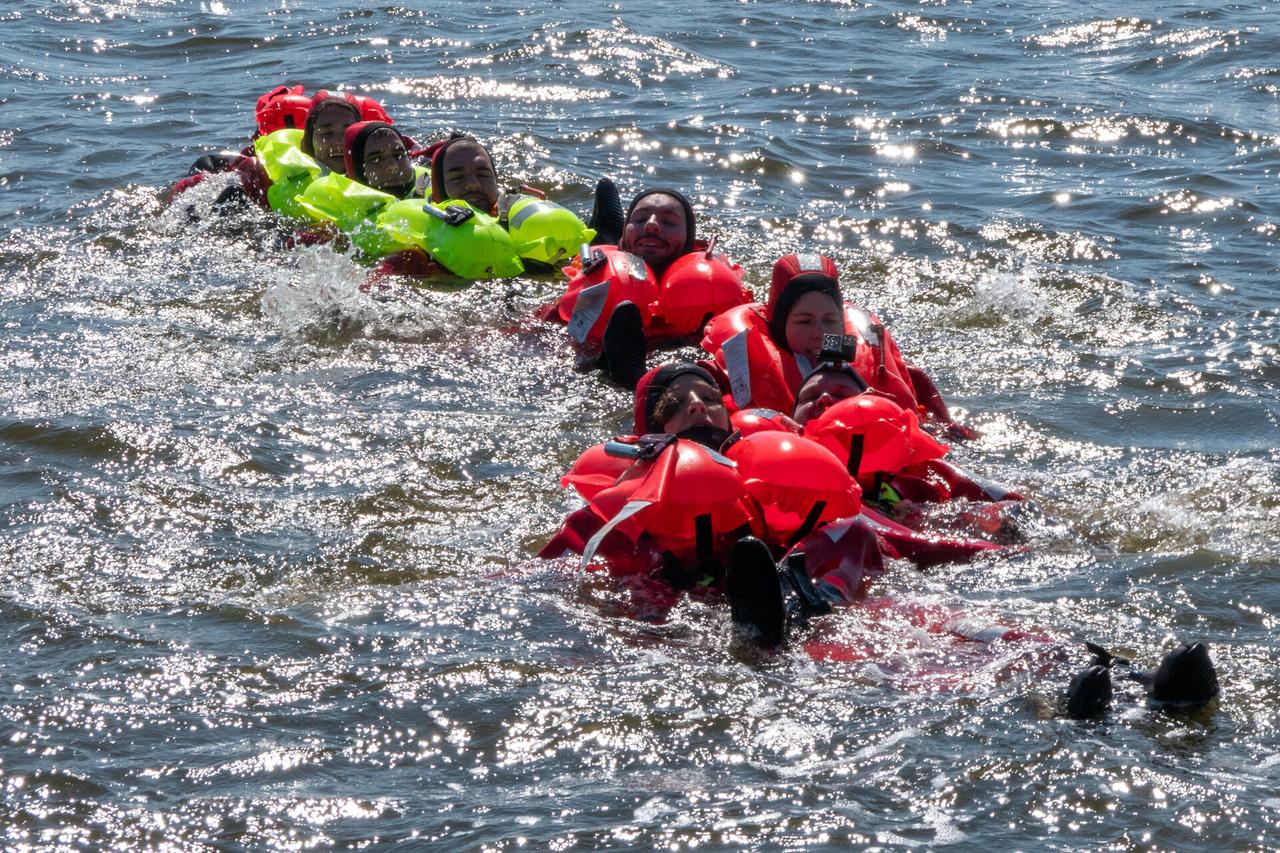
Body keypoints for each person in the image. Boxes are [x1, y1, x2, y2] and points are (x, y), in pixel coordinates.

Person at [702, 253, 972, 437]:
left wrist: (944, 423)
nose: (819, 334)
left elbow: (913, 376)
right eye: (804, 321)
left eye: (830, 320)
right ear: (778, 324)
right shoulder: (746, 357)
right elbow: (703, 381)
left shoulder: (860, 348)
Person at [549, 189, 751, 390]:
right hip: (603, 355)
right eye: (639, 219)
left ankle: (631, 379)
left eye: (669, 222)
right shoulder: (597, 276)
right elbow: (544, 328)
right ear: (625, 236)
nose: (652, 225)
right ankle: (607, 228)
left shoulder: (711, 282)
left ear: (689, 241)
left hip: (673, 357)